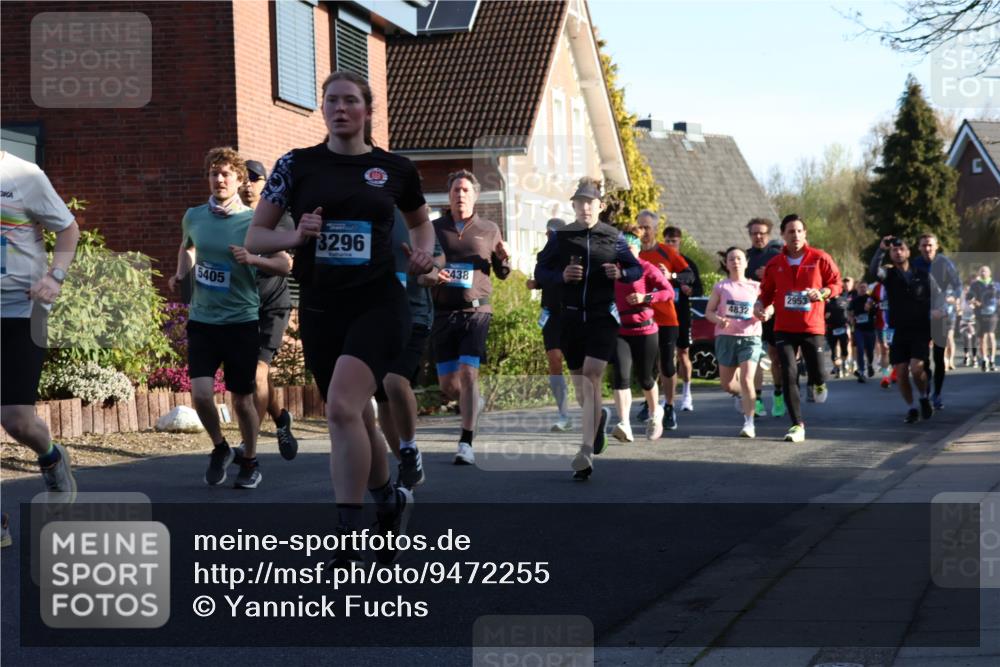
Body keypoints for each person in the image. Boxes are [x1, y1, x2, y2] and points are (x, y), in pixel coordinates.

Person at [244, 71, 436, 565]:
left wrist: (421, 255)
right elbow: (256, 239)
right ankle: (389, 500)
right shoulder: (296, 165)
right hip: (321, 307)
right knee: (355, 415)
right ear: (323, 109)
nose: (340, 108)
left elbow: (421, 225)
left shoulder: (394, 169)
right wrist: (295, 236)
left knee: (341, 409)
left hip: (378, 302)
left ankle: (348, 533)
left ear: (367, 111)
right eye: (331, 100)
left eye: (351, 100)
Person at [534, 177, 643, 480]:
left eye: (590, 202)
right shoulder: (561, 237)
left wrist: (620, 272)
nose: (584, 207)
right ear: (574, 206)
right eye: (579, 202)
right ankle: (597, 423)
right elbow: (540, 270)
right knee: (583, 387)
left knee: (593, 376)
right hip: (570, 318)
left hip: (601, 317)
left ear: (600, 206)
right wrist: (561, 276)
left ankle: (585, 452)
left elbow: (636, 269)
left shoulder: (614, 237)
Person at [168, 147, 262, 488]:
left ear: (239, 179)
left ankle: (250, 459)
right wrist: (181, 274)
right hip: (204, 319)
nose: (218, 179)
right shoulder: (194, 215)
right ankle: (220, 447)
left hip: (241, 319)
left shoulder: (252, 221)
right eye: (213, 174)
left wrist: (252, 258)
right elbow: (188, 246)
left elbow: (282, 262)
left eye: (225, 174)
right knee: (202, 394)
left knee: (242, 398)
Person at [0, 150, 81, 505]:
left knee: (16, 420)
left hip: (21, 309)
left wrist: (55, 277)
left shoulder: (23, 175)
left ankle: (51, 457)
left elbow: (68, 229)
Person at [431, 170, 510, 465]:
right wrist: (431, 273)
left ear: (474, 196)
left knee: (468, 373)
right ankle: (471, 403)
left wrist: (503, 258)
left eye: (465, 190)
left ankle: (466, 442)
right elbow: (423, 264)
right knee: (449, 386)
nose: (460, 195)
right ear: (448, 196)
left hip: (477, 311)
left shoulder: (489, 229)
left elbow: (502, 273)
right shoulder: (434, 228)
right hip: (442, 312)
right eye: (455, 190)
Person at [755, 214, 842, 443]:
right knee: (788, 373)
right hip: (784, 327)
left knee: (817, 372)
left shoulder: (820, 258)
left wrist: (822, 293)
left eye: (799, 231)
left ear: (805, 234)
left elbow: (836, 283)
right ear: (783, 235)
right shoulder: (775, 264)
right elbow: (766, 293)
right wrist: (759, 306)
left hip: (812, 325)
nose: (795, 235)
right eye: (790, 232)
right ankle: (797, 425)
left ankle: (819, 382)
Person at [375, 210, 443, 489]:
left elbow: (437, 264)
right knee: (381, 397)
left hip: (414, 315)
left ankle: (409, 446)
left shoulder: (416, 220)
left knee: (393, 380)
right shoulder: (363, 212)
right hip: (374, 315)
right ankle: (406, 458)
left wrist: (429, 272)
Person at [239, 158, 298, 459]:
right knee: (259, 376)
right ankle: (280, 418)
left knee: (257, 373)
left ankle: (248, 447)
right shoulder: (229, 219)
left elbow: (285, 264)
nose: (248, 184)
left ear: (265, 184)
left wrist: (252, 259)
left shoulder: (279, 220)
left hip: (273, 305)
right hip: (241, 308)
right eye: (244, 178)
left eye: (255, 178)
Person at [609, 227, 673, 442]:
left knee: (645, 378)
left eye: (629, 249)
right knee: (621, 376)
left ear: (637, 250)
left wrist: (646, 297)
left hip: (645, 329)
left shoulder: (647, 269)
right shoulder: (613, 270)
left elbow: (668, 292)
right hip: (620, 330)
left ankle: (656, 413)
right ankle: (624, 423)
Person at [870, 237, 941, 423]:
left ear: (908, 252)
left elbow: (937, 296)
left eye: (901, 249)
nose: (898, 252)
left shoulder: (923, 275)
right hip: (898, 330)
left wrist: (937, 311)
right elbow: (873, 271)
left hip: (920, 329)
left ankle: (924, 397)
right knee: (901, 373)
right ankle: (911, 408)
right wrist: (881, 250)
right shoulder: (889, 275)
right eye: (894, 250)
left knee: (917, 368)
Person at [635, 211, 694, 430]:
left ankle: (668, 406)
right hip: (642, 316)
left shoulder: (667, 252)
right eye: (640, 227)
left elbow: (689, 276)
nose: (643, 232)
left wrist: (672, 277)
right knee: (645, 364)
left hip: (667, 318)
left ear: (655, 229)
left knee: (667, 364)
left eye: (647, 227)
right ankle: (649, 403)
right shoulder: (633, 252)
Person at [705, 247, 770, 438]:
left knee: (747, 379)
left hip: (750, 337)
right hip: (726, 338)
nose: (735, 262)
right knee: (727, 384)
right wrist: (719, 320)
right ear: (726, 263)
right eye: (731, 259)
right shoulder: (721, 287)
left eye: (739, 258)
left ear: (746, 262)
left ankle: (749, 423)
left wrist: (766, 313)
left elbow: (769, 306)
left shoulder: (756, 286)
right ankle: (741, 395)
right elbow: (709, 312)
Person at [526, 218, 571, 432]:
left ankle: (590, 408)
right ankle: (563, 413)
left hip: (572, 313)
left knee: (578, 364)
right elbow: (542, 276)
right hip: (551, 313)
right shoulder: (544, 257)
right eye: (548, 234)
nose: (550, 238)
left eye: (553, 234)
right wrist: (536, 284)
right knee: (554, 360)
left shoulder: (571, 254)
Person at [912, 233, 963, 407]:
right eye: (924, 245)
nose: (927, 248)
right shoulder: (915, 264)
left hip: (940, 315)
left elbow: (957, 285)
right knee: (923, 358)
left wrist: (953, 297)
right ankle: (926, 391)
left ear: (937, 246)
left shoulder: (944, 263)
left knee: (939, 357)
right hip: (921, 316)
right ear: (919, 247)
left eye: (930, 245)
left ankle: (937, 394)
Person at [745, 217, 785, 417]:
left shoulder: (777, 256)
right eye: (754, 233)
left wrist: (769, 276)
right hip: (750, 314)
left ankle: (778, 395)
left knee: (775, 357)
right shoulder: (745, 257)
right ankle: (757, 399)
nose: (758, 236)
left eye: (762, 233)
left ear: (768, 235)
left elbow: (785, 282)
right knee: (755, 358)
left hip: (772, 312)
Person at [663, 226, 703, 413]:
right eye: (668, 241)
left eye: (674, 241)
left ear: (680, 242)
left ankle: (687, 393)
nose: (671, 244)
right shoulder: (660, 261)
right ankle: (667, 396)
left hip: (682, 314)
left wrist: (690, 290)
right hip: (662, 314)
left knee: (683, 353)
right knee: (664, 357)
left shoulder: (687, 263)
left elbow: (699, 289)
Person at [967, 265, 998, 372]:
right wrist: (974, 302)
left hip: (992, 314)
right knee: (982, 337)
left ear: (989, 273)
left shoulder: (995, 285)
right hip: (979, 313)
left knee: (990, 334)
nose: (983, 273)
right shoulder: (975, 285)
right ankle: (984, 359)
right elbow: (969, 297)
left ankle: (992, 360)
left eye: (985, 271)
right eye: (981, 271)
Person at [847, 281, 876, 382]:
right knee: (859, 348)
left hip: (870, 328)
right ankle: (861, 371)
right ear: (857, 289)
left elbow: (876, 311)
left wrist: (871, 309)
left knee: (870, 350)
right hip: (858, 329)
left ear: (867, 288)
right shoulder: (854, 300)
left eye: (864, 287)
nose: (862, 289)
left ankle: (870, 364)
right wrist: (851, 319)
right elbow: (850, 313)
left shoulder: (871, 299)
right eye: (860, 287)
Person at [824, 281, 851, 379]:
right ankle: (837, 368)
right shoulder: (827, 301)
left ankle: (844, 363)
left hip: (842, 328)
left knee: (844, 350)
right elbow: (822, 315)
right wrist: (825, 317)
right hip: (831, 329)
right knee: (833, 351)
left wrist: (850, 322)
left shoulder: (845, 300)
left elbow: (849, 312)